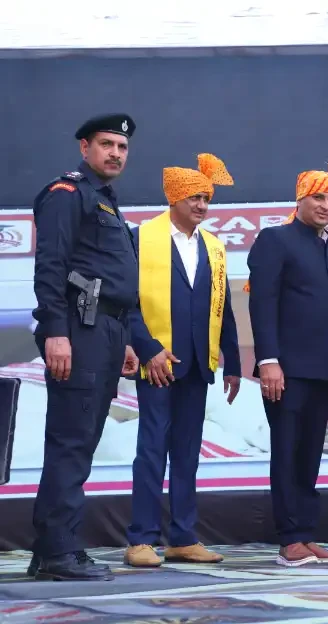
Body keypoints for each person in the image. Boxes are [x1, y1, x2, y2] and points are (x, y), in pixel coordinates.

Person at [29, 114, 141, 581]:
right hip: (78, 329)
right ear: (84, 148)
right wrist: (56, 331)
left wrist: (126, 338)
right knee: (71, 442)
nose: (115, 153)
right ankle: (59, 551)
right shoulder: (67, 194)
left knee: (82, 441)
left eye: (122, 146)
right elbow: (51, 266)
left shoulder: (105, 200)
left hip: (107, 331)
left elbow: (112, 278)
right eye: (106, 144)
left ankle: (50, 550)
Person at [124, 154, 242, 567]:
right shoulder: (141, 238)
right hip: (157, 362)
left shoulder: (214, 246)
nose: (202, 205)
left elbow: (222, 306)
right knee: (152, 450)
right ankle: (141, 539)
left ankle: (182, 537)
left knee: (188, 453)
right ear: (173, 199)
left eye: (206, 199)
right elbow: (126, 302)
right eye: (194, 198)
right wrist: (147, 348)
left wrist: (233, 362)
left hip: (197, 363)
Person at [247, 160, 328, 567]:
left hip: (324, 370)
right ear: (300, 199)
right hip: (286, 370)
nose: (326, 206)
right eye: (319, 197)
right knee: (287, 451)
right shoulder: (275, 239)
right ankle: (289, 539)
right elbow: (262, 303)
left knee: (311, 454)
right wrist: (268, 361)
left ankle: (306, 534)